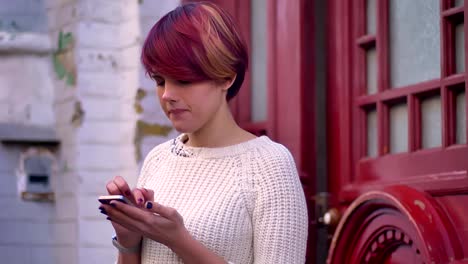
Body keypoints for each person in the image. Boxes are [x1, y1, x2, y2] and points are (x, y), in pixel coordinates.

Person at [98, 2, 308, 263]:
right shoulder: (159, 159)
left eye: (183, 80)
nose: (168, 95)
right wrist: (128, 242)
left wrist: (179, 240)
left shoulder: (269, 166)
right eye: (160, 81)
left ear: (226, 77)